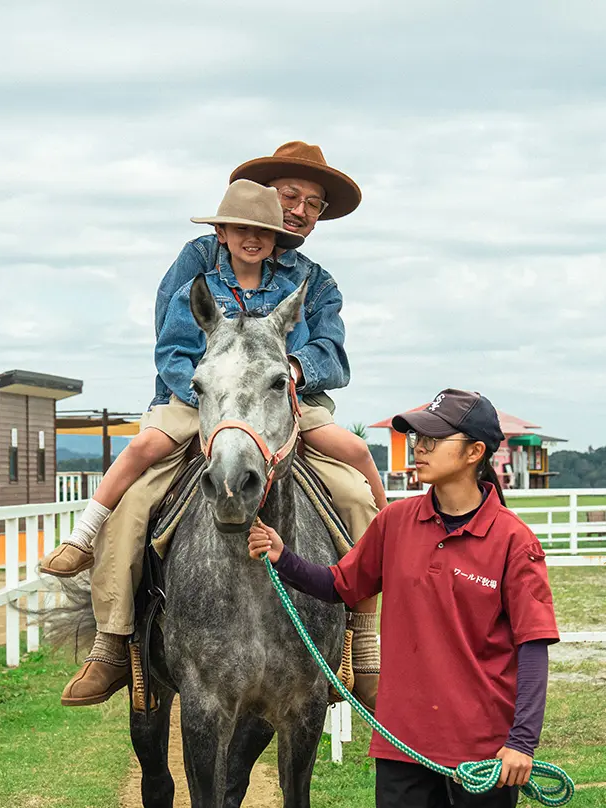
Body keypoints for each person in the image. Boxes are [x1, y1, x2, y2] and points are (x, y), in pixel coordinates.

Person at [44, 142, 384, 709]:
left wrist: (290, 372)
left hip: (288, 404)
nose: (301, 210)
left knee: (352, 493)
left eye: (314, 205)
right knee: (136, 499)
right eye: (291, 196)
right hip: (202, 397)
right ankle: (111, 642)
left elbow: (333, 353)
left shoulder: (316, 282)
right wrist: (214, 393)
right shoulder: (198, 259)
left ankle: (364, 640)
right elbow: (171, 342)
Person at [247, 388, 560, 808]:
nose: (418, 447)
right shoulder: (395, 523)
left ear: (474, 453)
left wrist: (521, 743)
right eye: (416, 436)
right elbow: (342, 585)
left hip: (484, 752)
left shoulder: (514, 542)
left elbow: (532, 648)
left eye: (435, 439)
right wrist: (284, 556)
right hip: (402, 746)